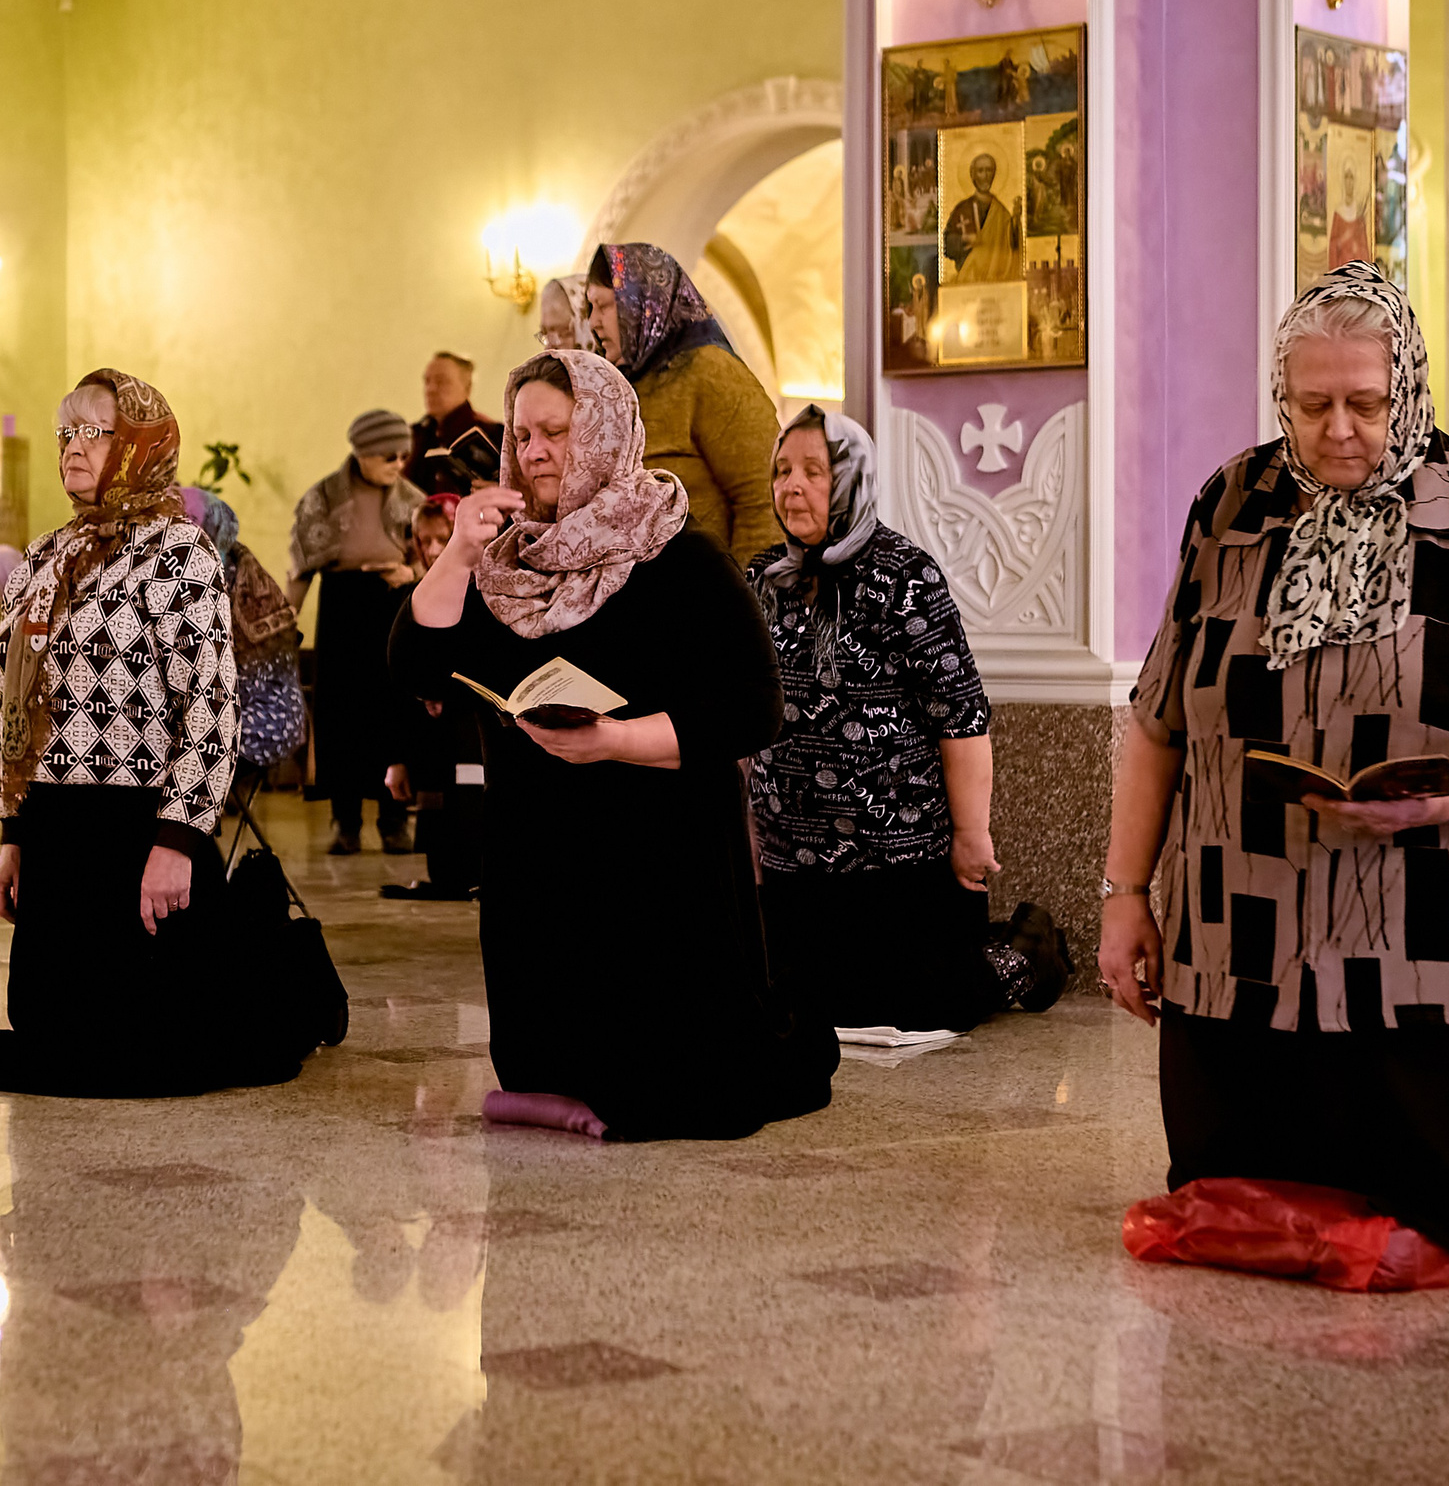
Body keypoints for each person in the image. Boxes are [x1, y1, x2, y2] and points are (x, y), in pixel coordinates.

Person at [1100, 262, 1449, 1256]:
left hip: (1429, 937)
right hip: (1240, 929)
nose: (1339, 429)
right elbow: (1159, 717)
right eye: (1313, 404)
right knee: (1242, 1209)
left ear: (1407, 389)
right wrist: (1124, 895)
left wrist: (1444, 792)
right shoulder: (1232, 505)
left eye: (1367, 404)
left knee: (1434, 1213)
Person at [390, 347, 836, 1140]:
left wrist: (617, 740)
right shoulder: (507, 561)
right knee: (544, 1062)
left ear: (602, 431)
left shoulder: (681, 557)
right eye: (522, 434)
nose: (533, 453)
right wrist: (460, 549)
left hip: (663, 855)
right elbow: (415, 662)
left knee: (675, 1087)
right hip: (539, 854)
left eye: (556, 432)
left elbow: (755, 708)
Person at [0, 369, 345, 1097]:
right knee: (49, 1032)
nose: (72, 445)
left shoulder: (181, 553)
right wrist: (14, 835)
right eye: (66, 431)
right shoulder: (46, 556)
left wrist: (177, 842)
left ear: (140, 443)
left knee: (172, 1040)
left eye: (95, 430)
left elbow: (213, 708)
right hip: (58, 824)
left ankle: (295, 969)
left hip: (140, 824)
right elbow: (16, 711)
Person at [748, 407, 1068, 1036]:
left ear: (853, 480)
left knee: (926, 1009)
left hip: (894, 857)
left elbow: (962, 716)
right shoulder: (763, 577)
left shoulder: (906, 575)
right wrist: (753, 838)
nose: (792, 487)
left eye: (815, 471)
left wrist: (972, 836)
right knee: (800, 1006)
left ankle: (1028, 954)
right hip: (792, 856)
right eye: (782, 470)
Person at [585, 242, 783, 567]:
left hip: (706, 593)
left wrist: (745, 598)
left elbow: (763, 499)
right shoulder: (617, 383)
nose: (593, 322)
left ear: (641, 303)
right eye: (590, 307)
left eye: (604, 305)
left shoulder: (710, 371)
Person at [289, 410, 425, 855]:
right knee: (341, 710)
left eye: (404, 454)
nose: (399, 463)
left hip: (393, 602)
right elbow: (300, 565)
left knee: (393, 708)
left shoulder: (414, 499)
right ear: (363, 453)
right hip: (342, 603)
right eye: (389, 454)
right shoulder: (324, 497)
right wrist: (287, 622)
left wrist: (410, 573)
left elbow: (436, 561)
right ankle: (345, 821)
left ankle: (393, 821)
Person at [383, 497, 483, 901]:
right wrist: (396, 759)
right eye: (425, 540)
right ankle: (443, 873)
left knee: (469, 797)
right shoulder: (410, 599)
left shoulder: (480, 592)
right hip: (425, 740)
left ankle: (472, 871)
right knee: (435, 805)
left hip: (467, 728)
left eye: (443, 539)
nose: (434, 549)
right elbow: (395, 686)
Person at [182, 486, 306, 787]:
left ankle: (190, 831)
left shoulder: (231, 578)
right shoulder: (198, 572)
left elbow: (232, 688)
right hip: (214, 716)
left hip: (264, 722)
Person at [404, 352, 499, 498]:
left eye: (441, 382)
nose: (431, 389)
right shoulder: (413, 435)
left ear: (467, 388)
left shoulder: (494, 433)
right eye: (427, 381)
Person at [942, 151, 1023, 283]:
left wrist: (1015, 221)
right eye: (980, 171)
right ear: (973, 175)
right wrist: (964, 239)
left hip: (995, 278)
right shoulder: (962, 209)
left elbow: (1011, 246)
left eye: (989, 170)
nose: (985, 176)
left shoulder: (1001, 211)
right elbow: (946, 246)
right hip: (968, 277)